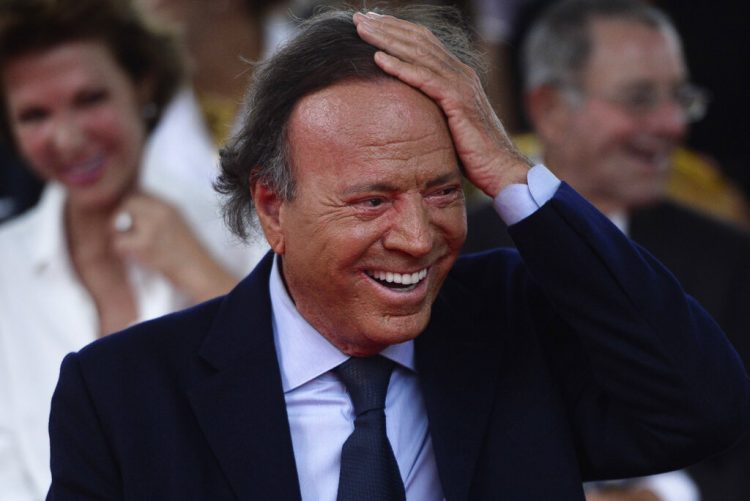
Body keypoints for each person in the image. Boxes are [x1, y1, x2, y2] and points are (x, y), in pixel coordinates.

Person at [46, 4, 749, 500]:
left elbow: (703, 405)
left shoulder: (516, 322)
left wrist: (511, 173)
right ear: (271, 207)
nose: (418, 236)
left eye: (443, 192)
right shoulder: (121, 397)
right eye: (371, 201)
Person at [462, 0, 750, 499]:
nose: (673, 125)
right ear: (550, 109)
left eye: (680, 97)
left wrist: (668, 493)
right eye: (639, 99)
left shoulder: (731, 259)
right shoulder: (456, 255)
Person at [0, 0, 265, 498]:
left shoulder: (244, 223)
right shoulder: (4, 269)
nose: (68, 137)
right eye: (34, 115)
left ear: (142, 84)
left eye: (89, 99)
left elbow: (302, 409)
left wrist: (203, 275)